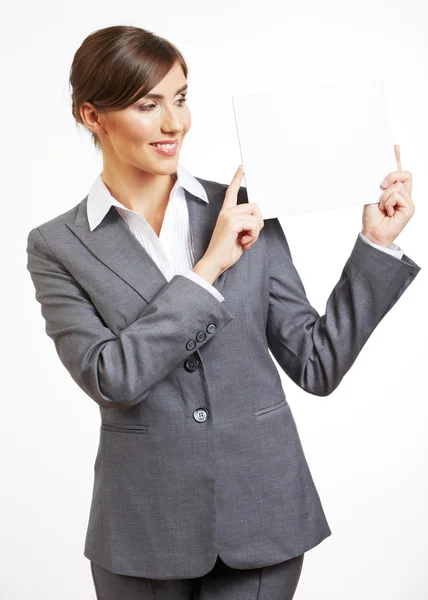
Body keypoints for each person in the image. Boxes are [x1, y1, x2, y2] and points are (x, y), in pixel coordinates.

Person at [26, 25, 421, 600]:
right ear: (93, 116)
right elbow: (111, 377)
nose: (175, 124)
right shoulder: (58, 244)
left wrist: (376, 247)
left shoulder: (245, 208)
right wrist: (207, 268)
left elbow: (318, 364)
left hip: (262, 512)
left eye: (181, 98)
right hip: (142, 527)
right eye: (148, 104)